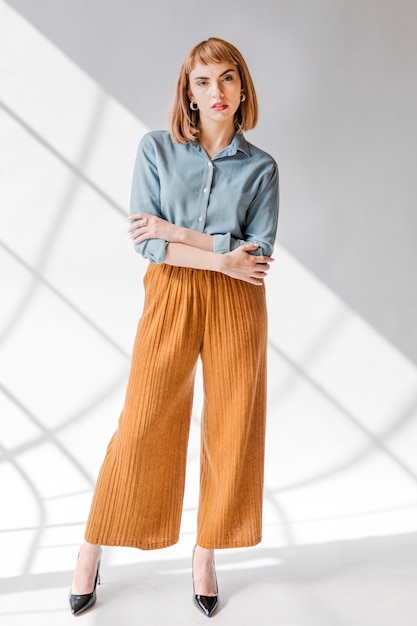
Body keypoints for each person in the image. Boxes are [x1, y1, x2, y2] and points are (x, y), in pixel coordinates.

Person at [69, 36, 279, 618]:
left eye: (228, 78)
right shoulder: (156, 150)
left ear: (243, 88)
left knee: (234, 423)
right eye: (204, 81)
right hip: (172, 296)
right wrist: (218, 253)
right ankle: (92, 544)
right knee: (142, 421)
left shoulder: (262, 167)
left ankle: (206, 553)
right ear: (187, 91)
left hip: (240, 304)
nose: (218, 92)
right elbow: (148, 244)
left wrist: (183, 233)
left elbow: (257, 255)